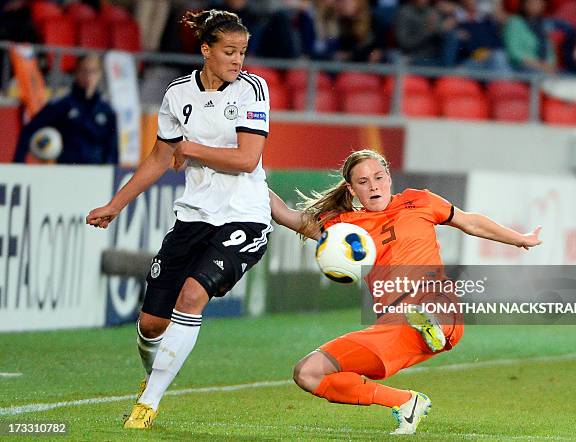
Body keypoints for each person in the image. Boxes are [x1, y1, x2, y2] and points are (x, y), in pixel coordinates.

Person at [268, 149, 542, 435]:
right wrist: (251, 178)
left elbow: (469, 221)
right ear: (351, 189)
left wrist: (519, 239)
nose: (373, 185)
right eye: (363, 182)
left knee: (428, 300)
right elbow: (286, 215)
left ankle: (431, 321)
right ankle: (406, 402)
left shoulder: (419, 200)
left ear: (389, 178)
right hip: (393, 326)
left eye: (378, 177)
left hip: (439, 303)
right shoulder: (344, 228)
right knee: (308, 372)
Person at [86, 9, 272, 429]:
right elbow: (159, 157)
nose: (238, 61)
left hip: (243, 217)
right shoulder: (176, 93)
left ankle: (148, 405)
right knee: (151, 323)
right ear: (206, 50)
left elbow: (247, 160)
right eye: (229, 52)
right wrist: (117, 204)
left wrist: (190, 149)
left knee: (191, 298)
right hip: (193, 217)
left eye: (242, 52)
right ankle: (151, 379)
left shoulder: (252, 90)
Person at [14, 54, 118, 164]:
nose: (88, 76)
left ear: (100, 74)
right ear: (76, 73)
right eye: (84, 71)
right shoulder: (62, 106)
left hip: (97, 173)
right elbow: (29, 130)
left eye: (93, 71)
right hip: (67, 171)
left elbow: (113, 148)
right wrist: (18, 162)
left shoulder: (107, 111)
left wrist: (112, 170)